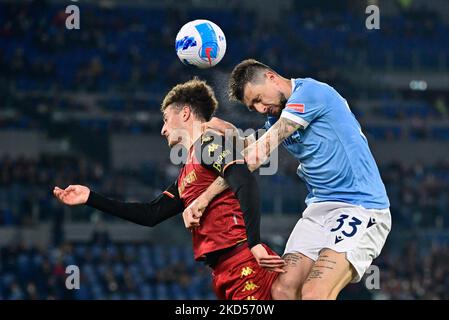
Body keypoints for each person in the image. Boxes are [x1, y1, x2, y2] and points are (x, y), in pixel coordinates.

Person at [53, 78, 285, 300]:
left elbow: (244, 179)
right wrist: (91, 198)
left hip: (242, 262)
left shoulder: (208, 144)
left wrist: (254, 243)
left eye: (165, 119)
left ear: (185, 113)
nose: (163, 129)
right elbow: (150, 214)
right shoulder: (186, 172)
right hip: (223, 272)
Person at [183, 59, 392, 300]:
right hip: (319, 209)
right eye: (253, 107)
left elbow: (257, 155)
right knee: (282, 290)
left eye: (259, 99)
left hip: (361, 207)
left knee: (315, 293)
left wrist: (204, 198)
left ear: (271, 77)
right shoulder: (277, 118)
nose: (261, 109)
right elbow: (252, 147)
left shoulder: (310, 93)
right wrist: (225, 131)